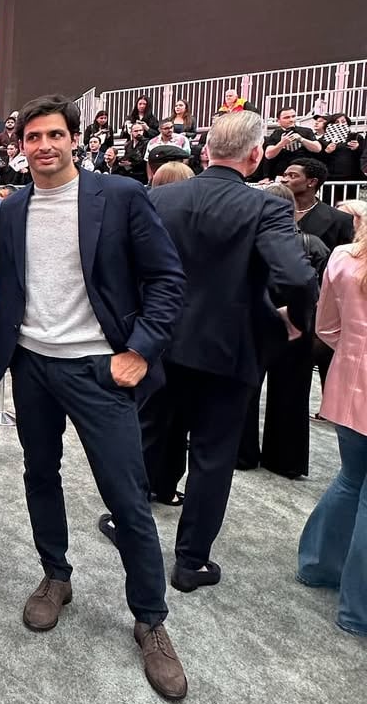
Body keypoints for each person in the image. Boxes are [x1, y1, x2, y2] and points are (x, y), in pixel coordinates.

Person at [0, 94, 188, 701]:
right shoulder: (13, 207)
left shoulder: (121, 196)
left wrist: (141, 350)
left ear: (73, 138)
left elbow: (167, 279)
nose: (43, 146)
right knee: (39, 475)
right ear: (20, 147)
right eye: (32, 137)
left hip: (100, 370)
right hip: (32, 366)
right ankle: (56, 575)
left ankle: (150, 619)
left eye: (54, 134)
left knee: (126, 494)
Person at [132, 113, 317, 592]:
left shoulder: (160, 197)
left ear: (205, 151)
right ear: (255, 156)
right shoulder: (265, 206)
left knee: (149, 434)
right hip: (229, 349)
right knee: (212, 456)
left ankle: (125, 522)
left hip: (162, 341)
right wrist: (296, 321)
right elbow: (297, 278)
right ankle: (191, 561)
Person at [297, 226, 367, 637]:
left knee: (350, 479)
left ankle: (318, 565)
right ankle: (357, 610)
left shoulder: (343, 258)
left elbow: (326, 327)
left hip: (348, 383)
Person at [237, 183, 327, 479]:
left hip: (255, 322)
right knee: (292, 395)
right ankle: (286, 461)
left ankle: (242, 453)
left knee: (245, 392)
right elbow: (319, 289)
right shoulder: (313, 244)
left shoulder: (247, 242)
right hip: (298, 325)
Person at [282, 160, 356, 251]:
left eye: (292, 176)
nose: (284, 180)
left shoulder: (340, 219)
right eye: (284, 175)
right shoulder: (273, 211)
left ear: (312, 182)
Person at [264, 106, 323, 179]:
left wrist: (301, 139)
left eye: (293, 116)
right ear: (278, 120)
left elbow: (318, 148)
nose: (291, 120)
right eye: (286, 117)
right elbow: (268, 155)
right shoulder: (275, 134)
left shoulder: (306, 131)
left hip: (303, 172)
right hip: (281, 174)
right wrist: (282, 143)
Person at [320, 112, 364, 182]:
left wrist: (357, 148)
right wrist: (326, 152)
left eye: (343, 122)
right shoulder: (322, 140)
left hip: (352, 178)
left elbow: (363, 156)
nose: (340, 124)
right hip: (330, 178)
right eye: (336, 122)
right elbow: (317, 159)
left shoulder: (356, 137)